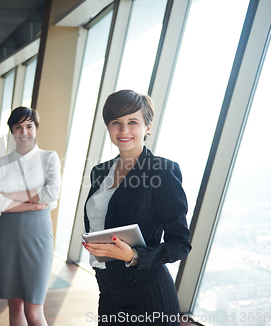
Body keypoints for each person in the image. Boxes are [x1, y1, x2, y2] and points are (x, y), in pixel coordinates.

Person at [82, 90, 191, 325]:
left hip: (149, 293)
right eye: (116, 123)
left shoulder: (162, 172)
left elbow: (180, 244)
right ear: (108, 127)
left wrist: (134, 256)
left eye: (133, 122)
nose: (124, 131)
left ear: (148, 126)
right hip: (108, 289)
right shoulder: (99, 172)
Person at [0, 107, 61, 326]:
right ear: (12, 130)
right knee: (15, 308)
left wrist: (11, 197)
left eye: (29, 126)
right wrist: (31, 204)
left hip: (37, 234)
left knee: (34, 310)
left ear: (36, 128)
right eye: (18, 127)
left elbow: (52, 193)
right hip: (7, 234)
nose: (24, 132)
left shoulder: (49, 158)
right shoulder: (1, 163)